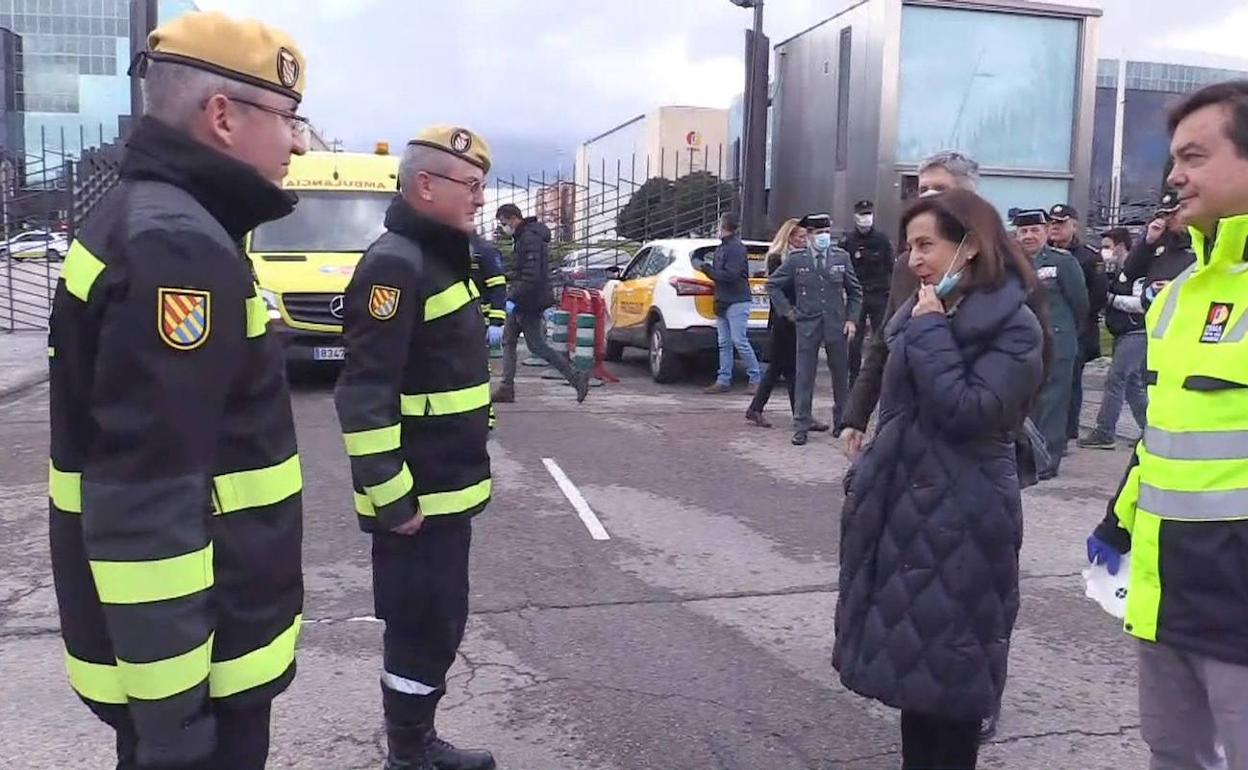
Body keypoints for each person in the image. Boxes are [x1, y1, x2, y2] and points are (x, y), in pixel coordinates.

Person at [47, 11, 308, 769]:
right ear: (222, 116)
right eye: (288, 118)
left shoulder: (161, 221)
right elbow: (147, 502)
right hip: (199, 679)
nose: (296, 140)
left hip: (195, 659)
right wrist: (173, 725)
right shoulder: (178, 246)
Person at [834, 190, 1044, 770]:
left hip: (965, 523)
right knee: (915, 680)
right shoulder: (921, 309)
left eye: (927, 245)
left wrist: (929, 335)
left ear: (970, 246)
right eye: (909, 247)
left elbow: (973, 412)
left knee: (949, 683)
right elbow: (895, 387)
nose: (913, 259)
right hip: (906, 514)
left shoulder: (1014, 325)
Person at [1087, 79, 1248, 770]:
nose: (1175, 176)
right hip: (1166, 595)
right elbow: (1163, 441)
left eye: (1195, 155)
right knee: (1174, 756)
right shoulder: (1178, 298)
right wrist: (1117, 524)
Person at [335, 125, 498, 770]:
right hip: (417, 500)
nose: (480, 200)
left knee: (439, 623)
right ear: (425, 185)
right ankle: (410, 750)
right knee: (421, 625)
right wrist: (393, 499)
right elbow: (364, 394)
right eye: (472, 186)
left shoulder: (441, 257)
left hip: (447, 489)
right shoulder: (395, 263)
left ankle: (415, 740)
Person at [841, 150, 981, 461]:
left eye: (940, 189)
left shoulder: (996, 268)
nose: (929, 197)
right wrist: (856, 415)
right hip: (901, 425)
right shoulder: (907, 265)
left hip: (962, 443)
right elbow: (883, 344)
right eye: (923, 189)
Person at [767, 213, 862, 446]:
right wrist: (788, 312)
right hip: (807, 324)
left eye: (827, 232)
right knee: (804, 376)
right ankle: (801, 425)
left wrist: (852, 320)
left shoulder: (841, 258)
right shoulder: (797, 260)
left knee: (840, 376)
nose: (824, 237)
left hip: (836, 324)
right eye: (819, 233)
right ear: (809, 235)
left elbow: (855, 292)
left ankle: (841, 421)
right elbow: (773, 285)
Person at [1015, 208, 1088, 478]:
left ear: (1046, 232)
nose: (1029, 236)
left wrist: (1067, 332)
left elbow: (1080, 303)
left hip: (1058, 341)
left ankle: (1048, 460)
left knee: (1054, 402)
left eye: (1035, 230)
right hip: (1023, 343)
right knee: (1027, 401)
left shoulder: (1062, 262)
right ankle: (1028, 454)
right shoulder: (1011, 262)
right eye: (1023, 231)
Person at [492, 203, 589, 404]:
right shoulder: (523, 238)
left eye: (503, 222)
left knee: (536, 345)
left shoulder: (529, 239)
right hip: (522, 299)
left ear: (512, 219)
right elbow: (525, 271)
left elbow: (532, 276)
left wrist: (512, 298)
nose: (503, 227)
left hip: (528, 302)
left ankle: (575, 377)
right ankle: (506, 387)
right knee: (508, 342)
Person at [1078, 228, 1147, 449]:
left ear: (1120, 245)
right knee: (1132, 385)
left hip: (1136, 331)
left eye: (1108, 246)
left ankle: (1104, 431)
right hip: (1122, 332)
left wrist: (1111, 299)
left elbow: (1141, 304)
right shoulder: (1117, 271)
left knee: (1115, 379)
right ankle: (1150, 429)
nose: (1104, 252)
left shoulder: (1136, 270)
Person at [1048, 204, 1109, 442]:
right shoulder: (1044, 254)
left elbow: (1095, 298)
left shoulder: (1089, 257)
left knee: (1069, 383)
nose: (1055, 227)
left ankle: (1066, 433)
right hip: (1047, 330)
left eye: (1061, 223)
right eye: (1052, 223)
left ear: (1074, 225)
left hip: (1078, 331)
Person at [745, 218, 804, 427]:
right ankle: (798, 415)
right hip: (782, 318)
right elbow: (781, 286)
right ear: (789, 237)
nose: (804, 241)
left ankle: (759, 409)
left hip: (794, 318)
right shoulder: (778, 258)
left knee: (786, 368)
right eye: (800, 237)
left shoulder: (799, 257)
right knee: (785, 367)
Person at [703, 212, 763, 393]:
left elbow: (731, 275)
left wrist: (708, 271)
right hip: (723, 300)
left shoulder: (735, 248)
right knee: (724, 342)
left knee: (739, 340)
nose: (716, 228)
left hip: (737, 300)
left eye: (719, 224)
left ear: (725, 226)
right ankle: (723, 380)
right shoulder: (722, 248)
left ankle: (755, 378)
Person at [841, 199, 895, 387]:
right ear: (855, 217)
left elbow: (891, 267)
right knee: (854, 341)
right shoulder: (848, 241)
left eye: (868, 214)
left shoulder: (881, 240)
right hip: (858, 296)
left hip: (879, 294)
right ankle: (853, 380)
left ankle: (881, 377)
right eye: (862, 215)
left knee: (881, 337)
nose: (866, 218)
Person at [1120, 191, 1197, 312]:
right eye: (1164, 215)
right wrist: (1147, 242)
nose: (1168, 219)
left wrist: (1174, 288)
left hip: (1184, 311)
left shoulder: (1199, 241)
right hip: (1153, 312)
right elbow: (1130, 272)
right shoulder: (1159, 240)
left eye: (1173, 214)